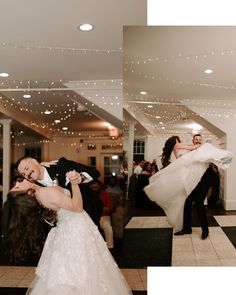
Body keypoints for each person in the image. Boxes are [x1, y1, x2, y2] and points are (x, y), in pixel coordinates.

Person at [9, 171, 132, 295]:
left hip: (67, 230)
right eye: (17, 187)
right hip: (77, 229)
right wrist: (74, 184)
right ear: (27, 194)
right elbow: (77, 208)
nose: (18, 183)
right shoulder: (47, 193)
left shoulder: (40, 196)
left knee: (72, 272)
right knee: (85, 270)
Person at [144, 135, 233, 234]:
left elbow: (216, 158)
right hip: (193, 182)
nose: (198, 141)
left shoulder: (204, 150)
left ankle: (205, 230)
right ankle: (187, 229)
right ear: (193, 141)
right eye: (196, 140)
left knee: (199, 204)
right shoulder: (190, 151)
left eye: (200, 140)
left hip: (204, 182)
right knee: (187, 203)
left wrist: (220, 162)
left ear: (201, 141)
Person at [15, 156, 103, 227]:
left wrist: (80, 178)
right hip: (65, 225)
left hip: (89, 213)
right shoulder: (35, 190)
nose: (27, 174)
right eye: (23, 174)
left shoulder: (61, 165)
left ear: (34, 161)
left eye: (26, 168)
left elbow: (94, 172)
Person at [88, 180, 114, 250]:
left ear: (99, 186)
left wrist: (98, 208)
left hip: (103, 216)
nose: (95, 189)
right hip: (90, 217)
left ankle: (110, 247)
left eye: (96, 187)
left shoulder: (105, 194)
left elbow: (109, 208)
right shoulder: (87, 196)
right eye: (93, 188)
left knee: (108, 227)